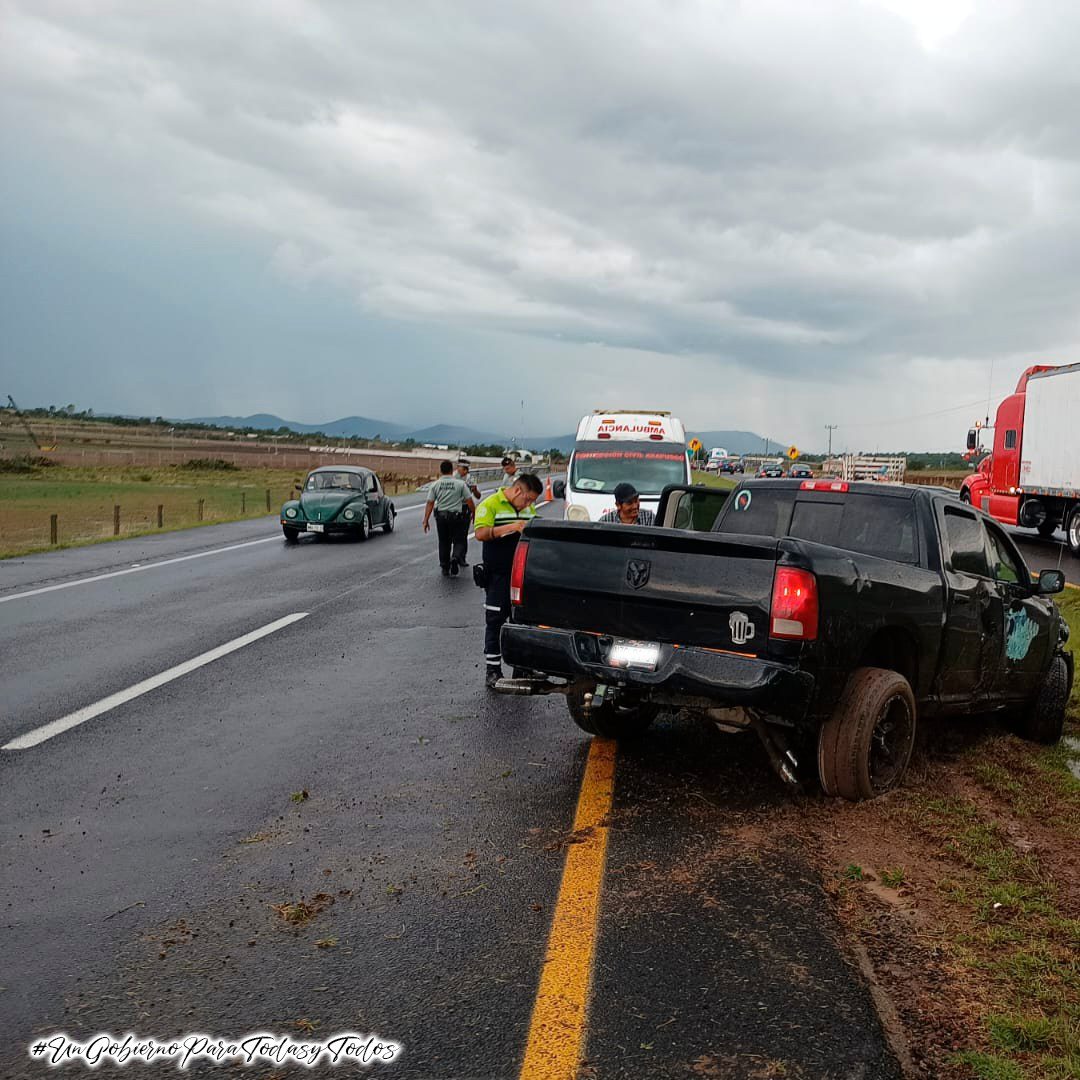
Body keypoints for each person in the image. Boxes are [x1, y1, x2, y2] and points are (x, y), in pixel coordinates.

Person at [474, 473, 543, 686]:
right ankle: (493, 671)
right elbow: (481, 533)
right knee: (495, 621)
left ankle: (523, 668)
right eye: (528, 499)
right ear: (517, 491)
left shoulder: (528, 509)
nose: (530, 504)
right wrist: (512, 527)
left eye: (533, 501)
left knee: (522, 621)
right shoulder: (490, 504)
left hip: (523, 575)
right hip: (498, 574)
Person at [422, 461, 474, 576]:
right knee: (459, 540)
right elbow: (469, 500)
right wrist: (474, 513)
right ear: (452, 470)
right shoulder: (460, 484)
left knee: (444, 542)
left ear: (441, 471)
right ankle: (455, 557)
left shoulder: (435, 485)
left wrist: (426, 520)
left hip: (441, 517)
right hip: (457, 517)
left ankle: (445, 566)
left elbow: (430, 503)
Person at [455, 461, 482, 565]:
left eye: (460, 468)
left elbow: (478, 496)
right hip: (454, 507)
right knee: (453, 534)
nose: (458, 470)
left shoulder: (470, 479)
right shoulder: (454, 476)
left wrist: (475, 490)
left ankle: (461, 557)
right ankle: (454, 556)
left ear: (465, 470)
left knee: (463, 534)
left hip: (465, 507)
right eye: (457, 468)